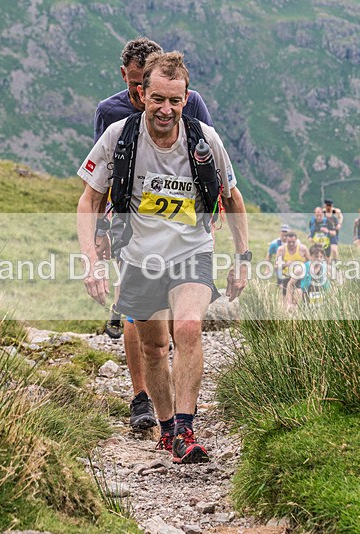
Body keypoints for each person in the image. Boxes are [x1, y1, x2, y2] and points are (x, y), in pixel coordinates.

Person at [77, 52, 249, 464]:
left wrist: (243, 257)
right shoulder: (119, 136)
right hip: (139, 257)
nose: (165, 109)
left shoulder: (205, 139)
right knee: (153, 347)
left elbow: (232, 197)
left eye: (175, 100)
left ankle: (186, 430)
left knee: (188, 327)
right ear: (142, 93)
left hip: (192, 251)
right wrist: (91, 261)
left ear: (186, 98)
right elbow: (89, 200)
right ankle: (167, 426)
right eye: (157, 99)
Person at [93, 38, 214, 432]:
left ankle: (182, 415)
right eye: (133, 86)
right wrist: (101, 231)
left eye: (141, 86)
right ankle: (141, 395)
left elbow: (206, 157)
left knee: (185, 325)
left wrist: (213, 206)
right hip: (129, 219)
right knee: (139, 318)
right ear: (129, 80)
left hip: (183, 225)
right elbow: (102, 177)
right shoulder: (110, 114)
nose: (137, 95)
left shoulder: (187, 101)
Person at [285, 244, 331, 310]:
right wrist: (289, 303)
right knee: (298, 291)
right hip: (305, 300)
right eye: (316, 257)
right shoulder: (301, 269)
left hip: (322, 301)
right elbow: (290, 284)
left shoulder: (326, 268)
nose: (319, 259)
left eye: (321, 257)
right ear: (310, 256)